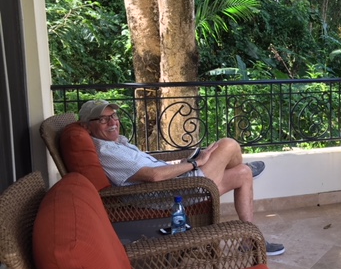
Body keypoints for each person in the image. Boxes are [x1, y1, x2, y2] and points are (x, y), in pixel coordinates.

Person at [78, 99, 285, 256]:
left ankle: (249, 240)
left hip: (176, 183)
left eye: (113, 116)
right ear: (87, 126)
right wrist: (194, 164)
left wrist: (180, 165)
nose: (112, 122)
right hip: (171, 195)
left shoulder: (116, 143)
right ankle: (230, 166)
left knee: (243, 173)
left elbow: (153, 167)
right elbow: (153, 175)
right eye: (103, 119)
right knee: (228, 145)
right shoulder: (105, 151)